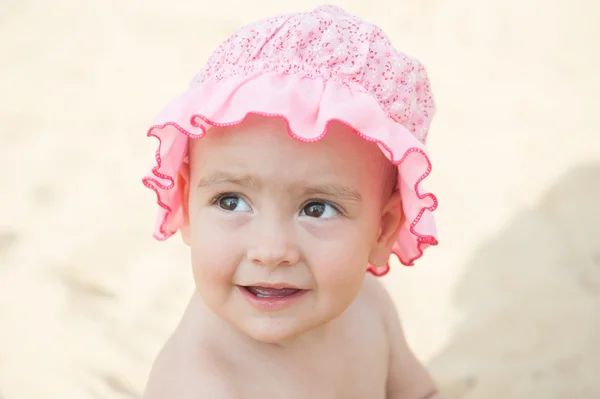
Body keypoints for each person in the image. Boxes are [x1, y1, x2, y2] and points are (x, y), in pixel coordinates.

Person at [141, 5, 441, 398]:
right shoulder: (200, 384)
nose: (271, 251)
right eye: (231, 201)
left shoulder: (368, 306)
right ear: (186, 205)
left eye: (317, 209)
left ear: (383, 229)